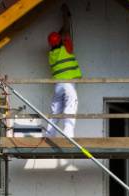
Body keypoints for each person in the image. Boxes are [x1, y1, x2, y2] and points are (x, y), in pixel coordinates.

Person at [45, 4, 82, 138]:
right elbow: (66, 30)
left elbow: (61, 36)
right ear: (60, 40)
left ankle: (49, 134)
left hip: (58, 86)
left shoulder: (51, 54)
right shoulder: (65, 48)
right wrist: (65, 14)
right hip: (68, 84)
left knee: (55, 110)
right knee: (70, 105)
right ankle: (68, 133)